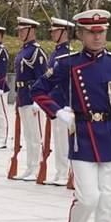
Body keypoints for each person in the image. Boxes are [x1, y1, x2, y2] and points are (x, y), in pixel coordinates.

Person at [31, 9, 111, 222]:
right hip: (83, 135)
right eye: (91, 32)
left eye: (101, 32)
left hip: (109, 134)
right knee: (88, 198)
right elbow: (37, 89)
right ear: (80, 34)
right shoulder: (67, 63)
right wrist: (58, 111)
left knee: (109, 202)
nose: (97, 37)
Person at [12, 17, 48, 180]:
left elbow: (42, 78)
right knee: (27, 135)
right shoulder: (24, 50)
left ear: (31, 31)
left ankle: (37, 167)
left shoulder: (36, 52)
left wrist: (38, 101)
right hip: (22, 96)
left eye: (22, 30)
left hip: (32, 97)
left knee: (35, 135)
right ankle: (30, 166)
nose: (19, 33)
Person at [42, 18, 74, 184]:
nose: (52, 33)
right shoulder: (55, 53)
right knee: (58, 139)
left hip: (63, 103)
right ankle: (60, 171)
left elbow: (70, 82)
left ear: (64, 32)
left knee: (63, 140)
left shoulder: (68, 54)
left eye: (55, 31)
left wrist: (69, 103)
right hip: (54, 104)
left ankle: (65, 173)